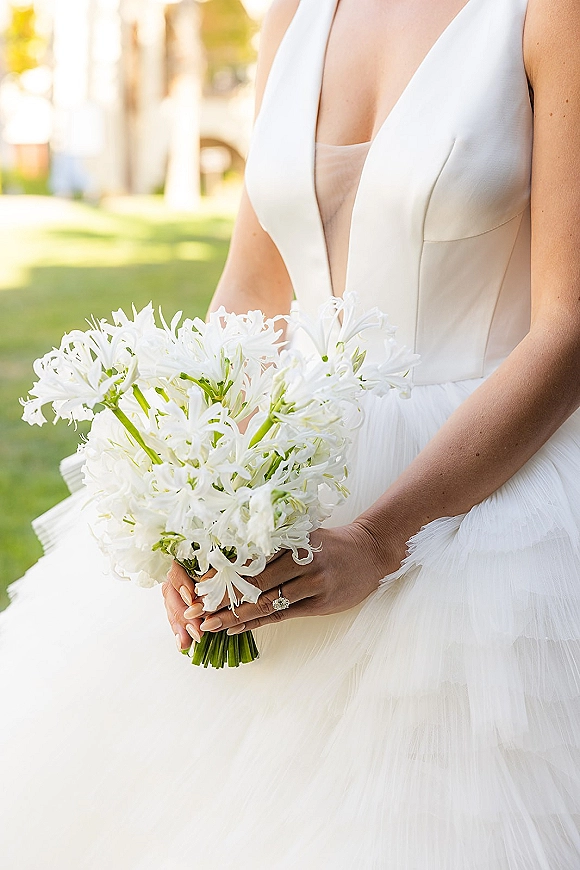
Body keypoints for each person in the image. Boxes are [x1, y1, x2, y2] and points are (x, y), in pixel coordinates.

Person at [1, 0, 580, 866]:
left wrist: (382, 536)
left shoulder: (550, 14)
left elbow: (567, 329)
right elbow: (254, 290)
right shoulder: (296, 15)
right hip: (283, 465)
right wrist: (190, 499)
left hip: (483, 493)